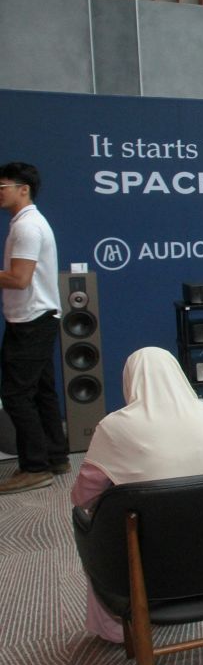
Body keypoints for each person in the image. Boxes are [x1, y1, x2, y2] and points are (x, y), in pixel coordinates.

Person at [70, 347, 203, 642]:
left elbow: (82, 498)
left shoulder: (114, 427)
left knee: (96, 522)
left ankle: (116, 629)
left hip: (148, 559)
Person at [0, 162, 66, 495]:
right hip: (35, 318)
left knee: (16, 395)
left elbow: (19, 278)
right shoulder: (26, 224)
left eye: (2, 187)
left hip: (30, 320)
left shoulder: (27, 227)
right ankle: (55, 456)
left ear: (22, 189)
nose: (0, 193)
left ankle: (34, 467)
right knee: (41, 391)